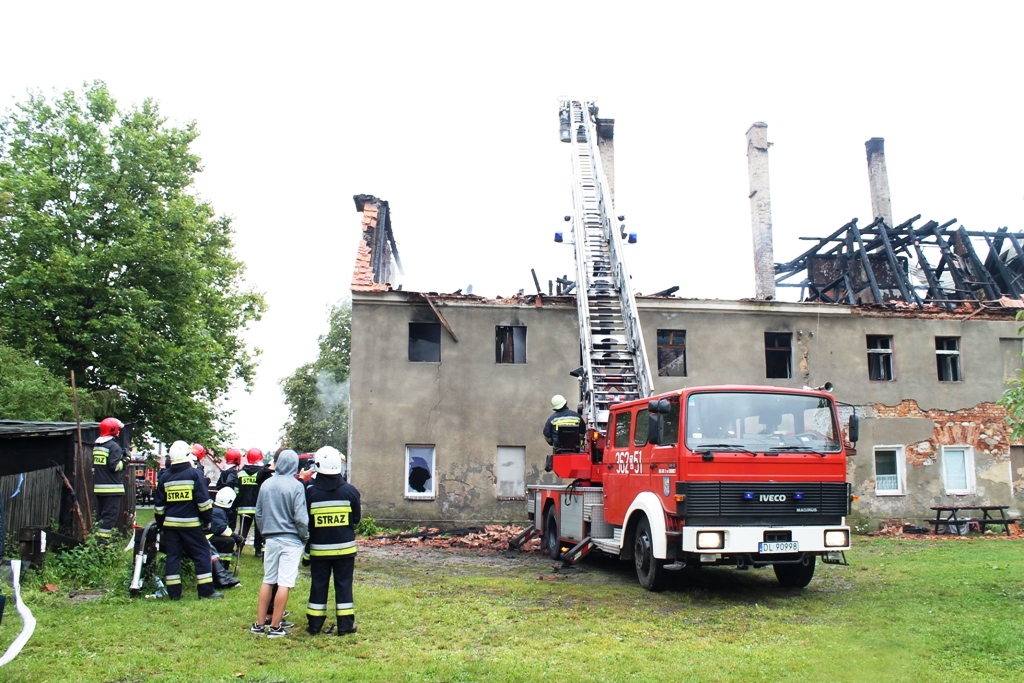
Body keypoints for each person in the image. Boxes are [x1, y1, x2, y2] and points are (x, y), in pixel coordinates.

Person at [154, 440, 223, 600]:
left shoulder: (165, 477)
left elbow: (159, 506)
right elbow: (204, 502)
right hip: (191, 524)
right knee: (202, 553)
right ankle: (206, 592)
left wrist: (160, 525)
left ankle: (174, 594)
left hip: (170, 526)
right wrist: (207, 520)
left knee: (173, 556)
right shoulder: (195, 474)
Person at [304, 446, 361, 636]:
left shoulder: (310, 493)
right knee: (344, 585)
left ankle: (314, 625)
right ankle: (345, 626)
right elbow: (356, 520)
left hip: (319, 550)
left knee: (318, 585)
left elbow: (306, 523)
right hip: (345, 550)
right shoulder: (351, 491)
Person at [251, 449, 309, 637]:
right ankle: (275, 626)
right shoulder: (296, 486)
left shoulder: (266, 484)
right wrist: (304, 536)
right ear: (294, 465)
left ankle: (259, 624)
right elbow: (300, 517)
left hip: (271, 538)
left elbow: (258, 513)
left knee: (268, 580)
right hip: (291, 539)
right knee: (285, 582)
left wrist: (265, 530)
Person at [93, 417, 127, 543]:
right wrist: (125, 461)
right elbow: (115, 467)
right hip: (112, 489)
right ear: (113, 430)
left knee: (101, 518)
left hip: (99, 488)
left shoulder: (97, 446)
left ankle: (98, 544)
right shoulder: (114, 447)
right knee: (109, 519)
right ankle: (103, 548)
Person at [208, 487, 243, 588]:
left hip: (206, 536)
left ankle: (222, 572)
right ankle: (222, 573)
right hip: (207, 538)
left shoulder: (216, 509)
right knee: (229, 541)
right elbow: (222, 530)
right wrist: (236, 537)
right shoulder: (218, 512)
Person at [237, 448, 268, 557]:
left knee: (243, 528)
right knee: (259, 529)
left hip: (244, 506)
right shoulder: (263, 473)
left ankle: (239, 549)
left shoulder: (240, 473)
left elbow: (237, 490)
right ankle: (258, 551)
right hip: (259, 506)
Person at [216, 448, 243, 530]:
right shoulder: (234, 473)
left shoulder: (223, 471)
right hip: (231, 504)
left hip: (220, 503)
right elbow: (236, 489)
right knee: (230, 525)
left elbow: (218, 485)